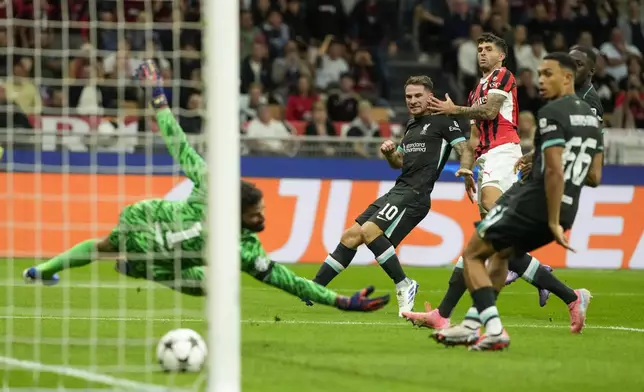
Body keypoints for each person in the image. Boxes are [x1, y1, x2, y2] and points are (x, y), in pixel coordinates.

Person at [22, 60, 390, 314]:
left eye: (260, 209)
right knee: (214, 286)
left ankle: (44, 270)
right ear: (237, 214)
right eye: (255, 212)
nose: (262, 215)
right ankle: (134, 269)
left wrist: (157, 97)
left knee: (104, 246)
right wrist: (340, 301)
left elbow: (176, 140)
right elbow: (289, 281)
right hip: (162, 260)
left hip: (142, 220)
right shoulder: (244, 249)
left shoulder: (210, 183)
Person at [437, 53, 603, 350]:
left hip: (538, 202)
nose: (540, 80)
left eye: (548, 73)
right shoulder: (592, 117)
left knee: (474, 252)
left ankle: (494, 329)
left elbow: (552, 170)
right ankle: (474, 325)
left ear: (567, 78)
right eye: (539, 73)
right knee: (500, 256)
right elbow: (594, 176)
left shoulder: (552, 111)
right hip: (569, 207)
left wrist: (550, 216)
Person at [404, 33, 561, 328]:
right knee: (489, 234)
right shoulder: (476, 89)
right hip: (486, 158)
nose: (483, 54)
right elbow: (474, 137)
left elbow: (490, 112)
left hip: (504, 149)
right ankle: (536, 272)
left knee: (492, 211)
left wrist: (454, 111)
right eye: (479, 49)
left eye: (489, 49)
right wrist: (467, 170)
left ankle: (519, 263)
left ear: (502, 55)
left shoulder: (502, 76)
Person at [305, 75, 476, 316]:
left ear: (430, 96)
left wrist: (467, 169)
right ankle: (316, 288)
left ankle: (404, 283)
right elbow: (399, 162)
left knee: (369, 232)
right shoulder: (411, 126)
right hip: (398, 190)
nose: (413, 101)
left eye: (418, 96)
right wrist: (389, 152)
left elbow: (464, 148)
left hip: (415, 194)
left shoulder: (444, 123)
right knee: (351, 236)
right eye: (408, 97)